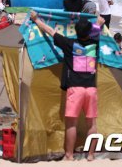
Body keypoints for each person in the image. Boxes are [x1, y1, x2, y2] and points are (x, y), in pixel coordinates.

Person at [30, 10, 103, 161]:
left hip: (75, 89)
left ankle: (69, 155)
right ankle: (90, 155)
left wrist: (36, 20)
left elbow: (50, 31)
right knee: (92, 124)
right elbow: (97, 27)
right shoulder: (95, 43)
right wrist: (99, 23)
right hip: (91, 88)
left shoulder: (70, 44)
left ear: (76, 32)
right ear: (90, 32)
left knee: (71, 124)